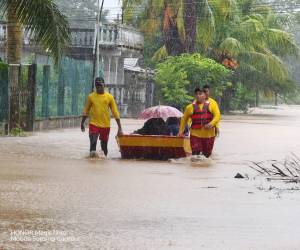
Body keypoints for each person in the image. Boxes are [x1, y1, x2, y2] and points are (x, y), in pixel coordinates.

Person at [81, 77, 123, 157]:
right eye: (97, 85)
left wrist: (119, 127)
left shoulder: (109, 97)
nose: (98, 87)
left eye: (100, 85)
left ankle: (103, 163)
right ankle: (91, 164)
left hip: (105, 125)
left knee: (104, 148)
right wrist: (82, 123)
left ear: (104, 85)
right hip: (94, 124)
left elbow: (115, 112)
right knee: (93, 143)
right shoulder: (91, 97)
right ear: (95, 86)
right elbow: (86, 110)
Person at [179, 88, 220, 160]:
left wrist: (211, 123)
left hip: (209, 136)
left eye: (200, 94)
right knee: (195, 156)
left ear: (205, 95)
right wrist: (181, 131)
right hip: (195, 135)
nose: (198, 96)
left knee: (206, 156)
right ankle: (195, 169)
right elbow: (184, 119)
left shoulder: (212, 105)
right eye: (196, 94)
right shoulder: (189, 107)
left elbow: (217, 116)